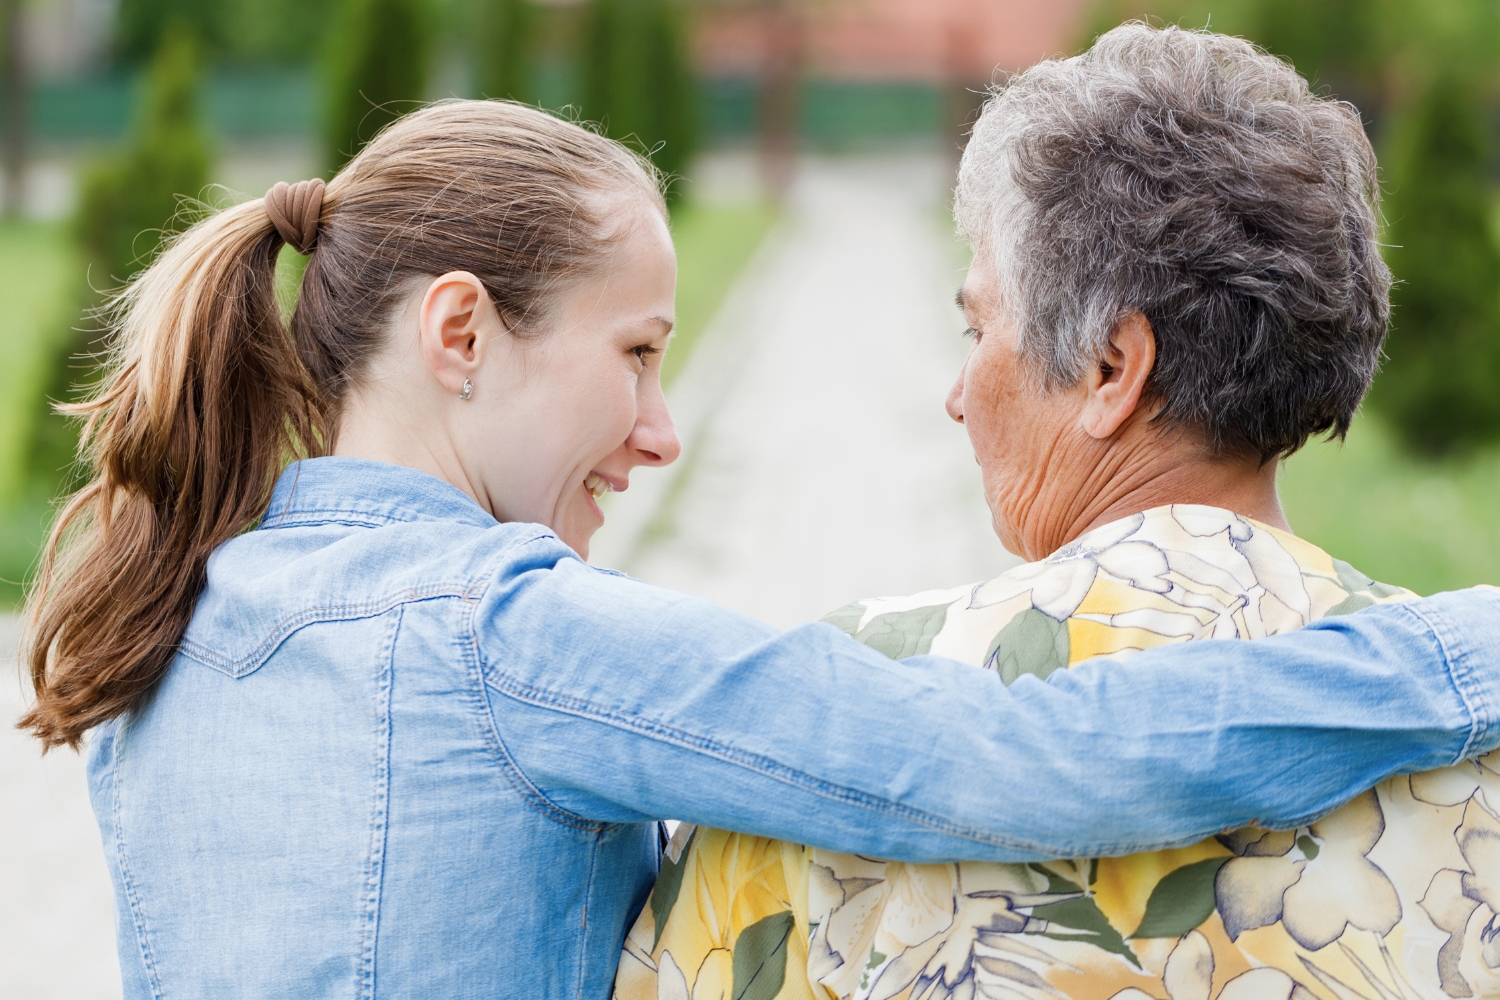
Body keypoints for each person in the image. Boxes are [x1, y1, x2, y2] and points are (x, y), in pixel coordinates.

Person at [16, 99, 1500, 1000]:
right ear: (459, 333)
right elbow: (1005, 758)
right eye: (641, 351)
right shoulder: (507, 642)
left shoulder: (160, 622)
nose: (661, 431)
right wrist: (1455, 648)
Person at [617, 24, 1498, 1000]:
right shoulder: (1472, 728)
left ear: (1111, 369)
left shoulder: (847, 716)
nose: (957, 393)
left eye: (978, 326)